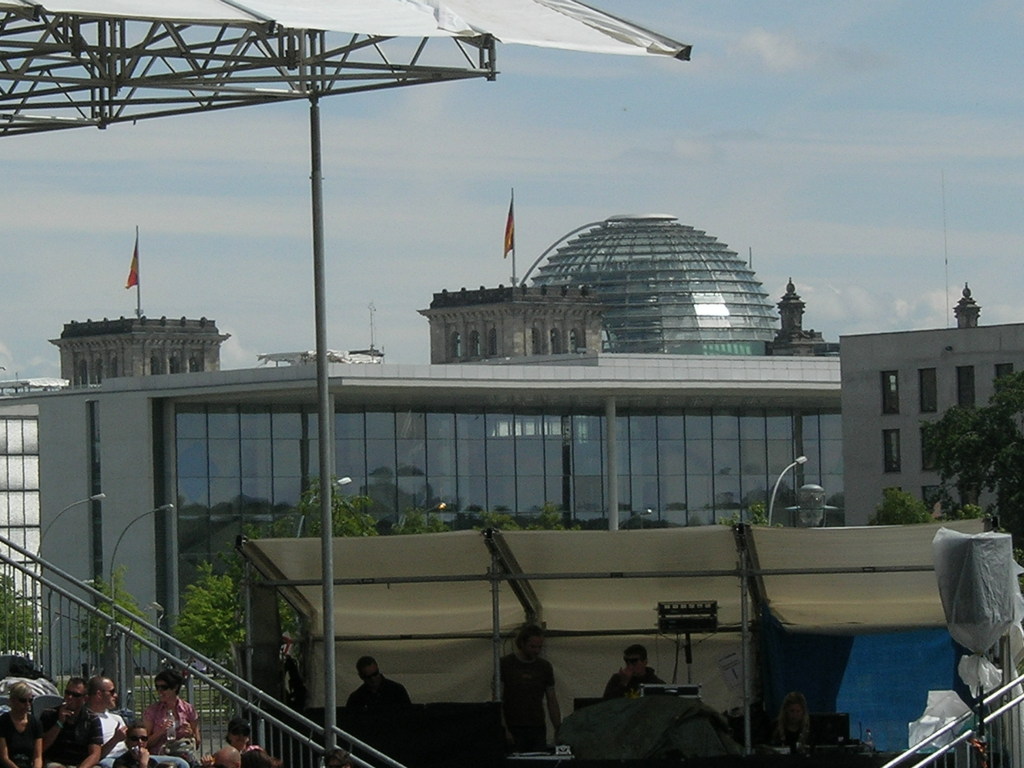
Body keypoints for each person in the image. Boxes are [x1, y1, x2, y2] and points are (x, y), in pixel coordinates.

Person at [499, 624, 561, 753]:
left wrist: (558, 729)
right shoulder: (505, 664)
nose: (537, 651)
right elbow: (498, 700)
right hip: (513, 726)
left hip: (537, 727)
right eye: (533, 646)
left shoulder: (544, 667)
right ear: (522, 643)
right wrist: (504, 729)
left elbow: (552, 700)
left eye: (539, 647)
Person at [40, 677, 102, 768]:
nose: (70, 697)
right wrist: (59, 722)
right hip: (55, 762)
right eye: (67, 693)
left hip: (80, 763)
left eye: (76, 695)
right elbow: (41, 747)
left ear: (85, 699)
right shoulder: (49, 714)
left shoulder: (92, 719)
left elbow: (95, 754)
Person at [142, 670, 200, 760]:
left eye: (164, 687)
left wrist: (190, 734)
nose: (160, 691)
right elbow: (144, 743)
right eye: (157, 687)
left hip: (183, 754)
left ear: (175, 688)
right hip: (160, 757)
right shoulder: (152, 711)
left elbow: (197, 742)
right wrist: (161, 731)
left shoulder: (188, 709)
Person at [84, 678, 127, 768]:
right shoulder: (88, 720)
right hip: (108, 760)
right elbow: (96, 755)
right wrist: (115, 739)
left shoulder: (117, 718)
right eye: (112, 692)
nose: (115, 695)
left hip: (127, 756)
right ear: (99, 694)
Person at [0, 681, 43, 768]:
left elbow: (37, 757)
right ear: (13, 700)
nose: (27, 705)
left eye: (30, 701)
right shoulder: (3, 722)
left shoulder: (35, 723)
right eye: (23, 701)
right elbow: (4, 757)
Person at [345, 657, 411, 710]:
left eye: (375, 674)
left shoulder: (397, 690)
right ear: (361, 676)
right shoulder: (357, 697)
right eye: (368, 677)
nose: (373, 679)